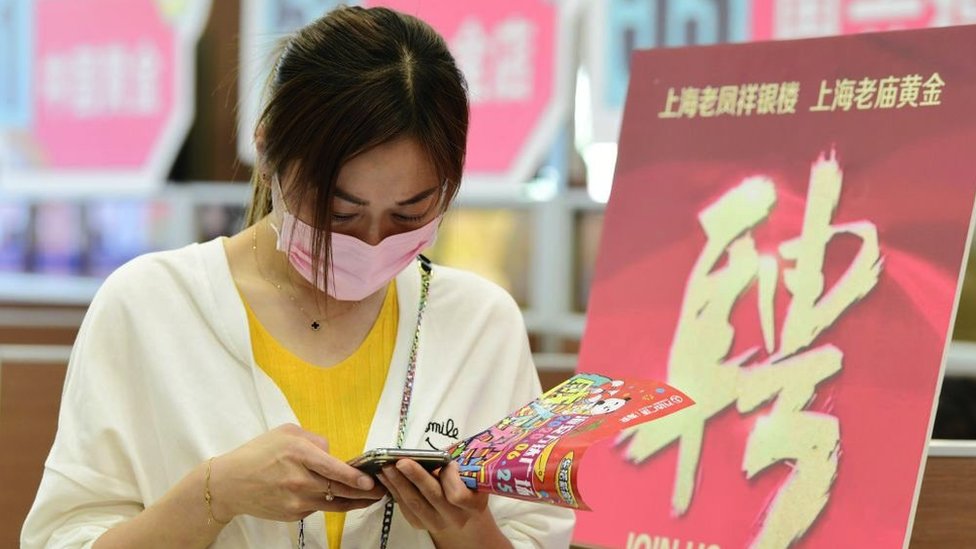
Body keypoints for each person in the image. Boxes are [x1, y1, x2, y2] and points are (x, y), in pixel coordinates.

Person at [21, 6, 575, 549]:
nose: (372, 242)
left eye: (410, 215)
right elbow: (64, 537)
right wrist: (214, 495)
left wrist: (465, 529)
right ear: (268, 151)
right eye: (339, 213)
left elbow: (534, 534)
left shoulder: (481, 326)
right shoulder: (149, 306)